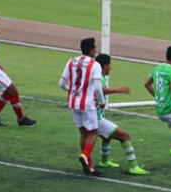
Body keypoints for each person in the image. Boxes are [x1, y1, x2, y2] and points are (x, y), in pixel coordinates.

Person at [94, 54, 149, 175]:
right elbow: (100, 90)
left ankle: (104, 161)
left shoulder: (97, 76)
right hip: (96, 119)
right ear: (105, 66)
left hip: (96, 117)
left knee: (106, 137)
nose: (111, 67)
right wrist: (119, 90)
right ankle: (133, 167)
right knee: (124, 136)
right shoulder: (99, 78)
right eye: (110, 65)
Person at [59, 37, 105, 175]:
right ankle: (85, 155)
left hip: (73, 102)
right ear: (91, 50)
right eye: (95, 48)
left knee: (83, 132)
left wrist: (72, 91)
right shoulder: (95, 64)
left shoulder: (71, 62)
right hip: (88, 103)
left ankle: (89, 165)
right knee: (93, 132)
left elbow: (61, 83)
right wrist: (101, 100)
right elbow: (97, 85)